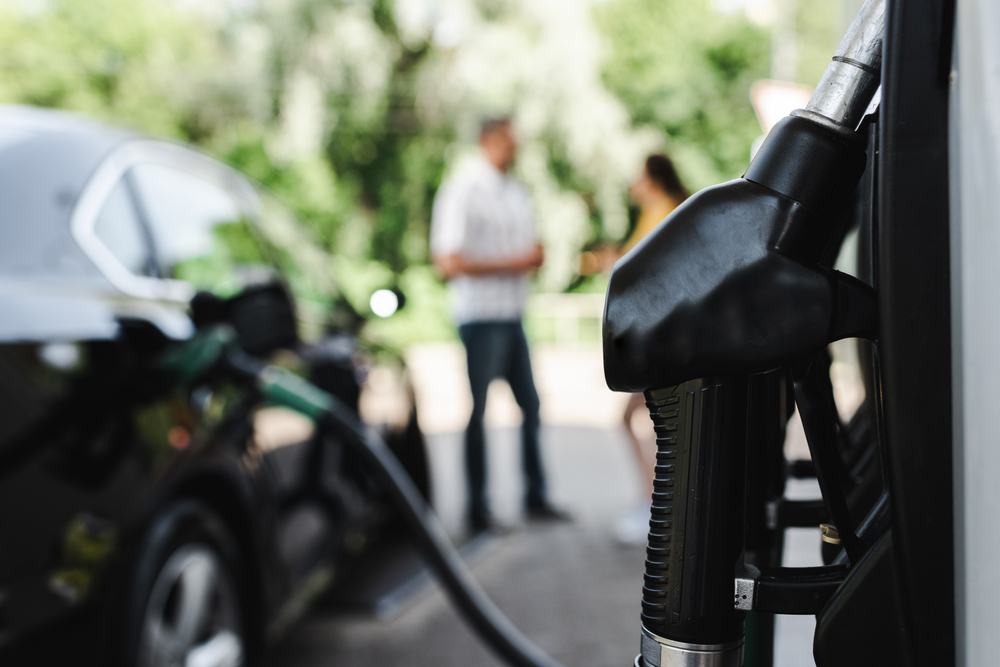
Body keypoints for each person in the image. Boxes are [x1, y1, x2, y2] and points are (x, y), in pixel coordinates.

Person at [430, 116, 569, 534]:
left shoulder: (516, 191)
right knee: (478, 412)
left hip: (512, 316)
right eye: (511, 140)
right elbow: (447, 262)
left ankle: (536, 496)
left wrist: (532, 258)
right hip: (480, 317)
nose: (518, 148)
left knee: (531, 407)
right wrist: (514, 263)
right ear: (489, 140)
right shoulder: (463, 188)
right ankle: (476, 507)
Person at [581, 154, 689, 544]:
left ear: (655, 179)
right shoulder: (665, 211)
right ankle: (658, 501)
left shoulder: (663, 212)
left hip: (662, 342)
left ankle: (658, 503)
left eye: (638, 178)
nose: (633, 186)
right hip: (662, 339)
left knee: (646, 421)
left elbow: (647, 272)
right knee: (652, 422)